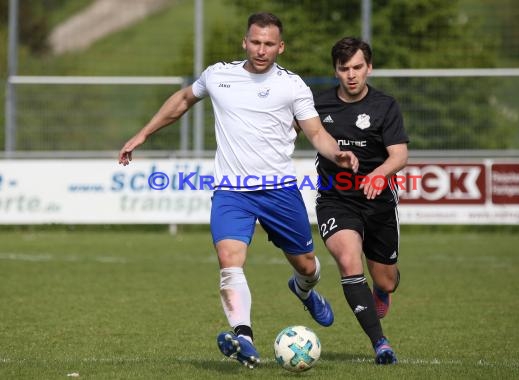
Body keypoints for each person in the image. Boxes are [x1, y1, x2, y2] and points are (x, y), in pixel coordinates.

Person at [118, 13, 358, 368]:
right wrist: (144, 133)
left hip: (280, 191)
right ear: (245, 42)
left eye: (269, 44)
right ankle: (243, 337)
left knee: (307, 266)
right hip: (232, 191)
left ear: (280, 47)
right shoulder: (218, 75)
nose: (261, 50)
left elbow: (317, 133)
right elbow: (184, 99)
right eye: (255, 42)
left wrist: (337, 152)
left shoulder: (292, 86)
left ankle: (303, 289)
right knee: (229, 261)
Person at [313, 37, 409, 365]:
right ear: (335, 71)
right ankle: (380, 343)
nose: (351, 74)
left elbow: (399, 154)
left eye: (357, 67)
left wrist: (380, 173)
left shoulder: (385, 106)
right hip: (335, 199)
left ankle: (382, 290)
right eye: (344, 69)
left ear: (369, 67)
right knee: (348, 262)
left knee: (385, 280)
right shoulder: (318, 106)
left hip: (378, 200)